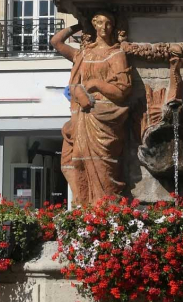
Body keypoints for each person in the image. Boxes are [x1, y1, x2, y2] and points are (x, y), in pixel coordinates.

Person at [50, 12, 132, 204]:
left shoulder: (116, 54)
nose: (104, 28)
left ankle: (106, 209)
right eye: (100, 23)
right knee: (77, 160)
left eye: (109, 24)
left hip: (104, 116)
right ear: (94, 25)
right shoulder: (83, 54)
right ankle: (85, 207)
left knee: (103, 164)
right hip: (83, 116)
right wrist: (80, 25)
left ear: (114, 27)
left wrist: (95, 84)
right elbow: (56, 42)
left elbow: (122, 91)